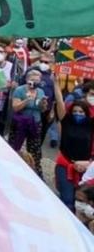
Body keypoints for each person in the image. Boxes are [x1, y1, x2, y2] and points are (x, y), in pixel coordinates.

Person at [53, 77, 92, 212]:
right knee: (68, 200)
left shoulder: (90, 125)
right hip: (65, 164)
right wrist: (56, 85)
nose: (77, 114)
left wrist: (87, 163)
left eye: (81, 112)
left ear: (86, 114)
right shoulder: (67, 121)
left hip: (85, 168)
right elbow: (59, 102)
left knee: (80, 202)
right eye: (75, 111)